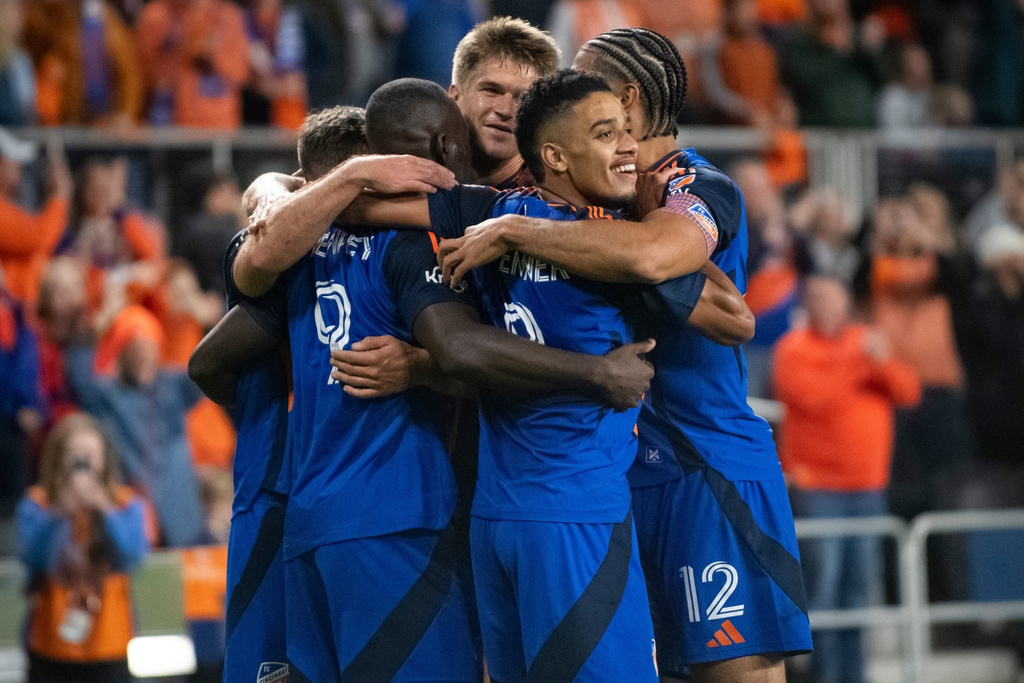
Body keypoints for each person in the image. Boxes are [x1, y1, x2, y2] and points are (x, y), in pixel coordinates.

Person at [437, 28, 812, 681]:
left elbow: (700, 292)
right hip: (615, 475)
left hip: (703, 468)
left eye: (592, 90)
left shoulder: (695, 183)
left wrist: (516, 230)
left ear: (628, 99)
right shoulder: (582, 200)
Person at [188, 105, 369, 683]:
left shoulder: (362, 250)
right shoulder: (281, 254)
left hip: (331, 496)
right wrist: (271, 417)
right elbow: (206, 364)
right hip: (275, 494)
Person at [773, 275, 920, 683]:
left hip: (869, 487)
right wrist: (862, 361)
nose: (832, 310)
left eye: (837, 301)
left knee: (858, 592)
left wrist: (883, 361)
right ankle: (824, 675)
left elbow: (907, 391)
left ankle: (855, 676)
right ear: (808, 307)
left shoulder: (865, 342)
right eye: (822, 301)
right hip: (819, 487)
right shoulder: (794, 349)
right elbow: (814, 398)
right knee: (824, 589)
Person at [17, 412, 148, 683]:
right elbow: (34, 558)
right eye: (75, 453)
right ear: (58, 457)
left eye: (91, 453)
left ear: (105, 458)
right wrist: (60, 511)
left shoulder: (125, 503)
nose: (83, 461)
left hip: (109, 643)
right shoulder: (38, 503)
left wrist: (105, 509)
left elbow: (133, 557)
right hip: (49, 644)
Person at [65, 305, 205, 547]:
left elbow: (210, 368)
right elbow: (80, 379)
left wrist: (207, 321)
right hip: (134, 516)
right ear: (122, 352)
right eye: (134, 349)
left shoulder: (172, 386)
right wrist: (92, 330)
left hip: (180, 511)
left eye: (148, 347)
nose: (143, 356)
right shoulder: (109, 394)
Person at [447, 16, 559, 188]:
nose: (506, 110)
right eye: (491, 90)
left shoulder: (554, 203)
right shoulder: (408, 175)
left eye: (523, 98)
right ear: (455, 97)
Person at [0, 131, 70, 308]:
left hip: (22, 309)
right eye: (11, 160)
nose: (19, 166)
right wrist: (59, 197)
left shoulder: (9, 208)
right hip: (14, 313)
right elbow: (40, 238)